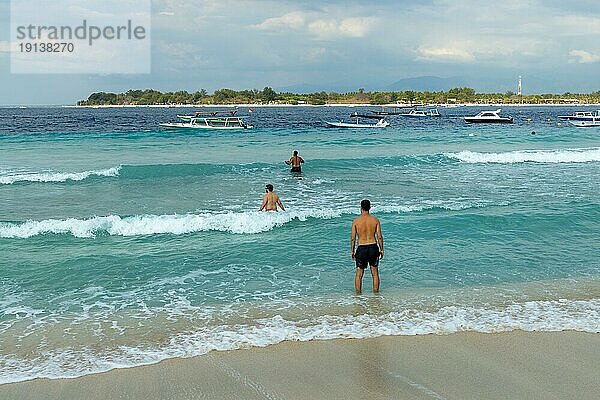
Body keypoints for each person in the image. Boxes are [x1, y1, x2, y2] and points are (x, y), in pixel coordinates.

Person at [350, 199, 384, 294]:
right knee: (375, 274)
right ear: (370, 207)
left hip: (361, 248)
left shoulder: (356, 221)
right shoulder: (375, 220)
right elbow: (380, 237)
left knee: (359, 275)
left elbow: (353, 238)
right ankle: (376, 295)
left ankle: (358, 295)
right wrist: (382, 250)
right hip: (373, 247)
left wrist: (352, 251)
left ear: (361, 208)